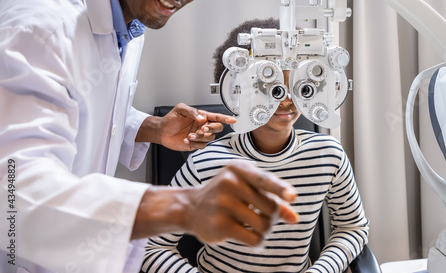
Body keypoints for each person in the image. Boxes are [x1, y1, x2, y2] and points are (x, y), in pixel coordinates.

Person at [0, 0, 299, 273]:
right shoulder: (43, 27)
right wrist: (185, 206)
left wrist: (153, 129)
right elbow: (12, 193)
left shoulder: (130, 19)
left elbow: (70, 102)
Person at [142, 18, 370, 273]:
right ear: (238, 90)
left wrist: (321, 270)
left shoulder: (328, 155)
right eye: (269, 88)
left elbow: (353, 227)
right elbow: (153, 245)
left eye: (295, 85)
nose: (285, 100)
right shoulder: (206, 160)